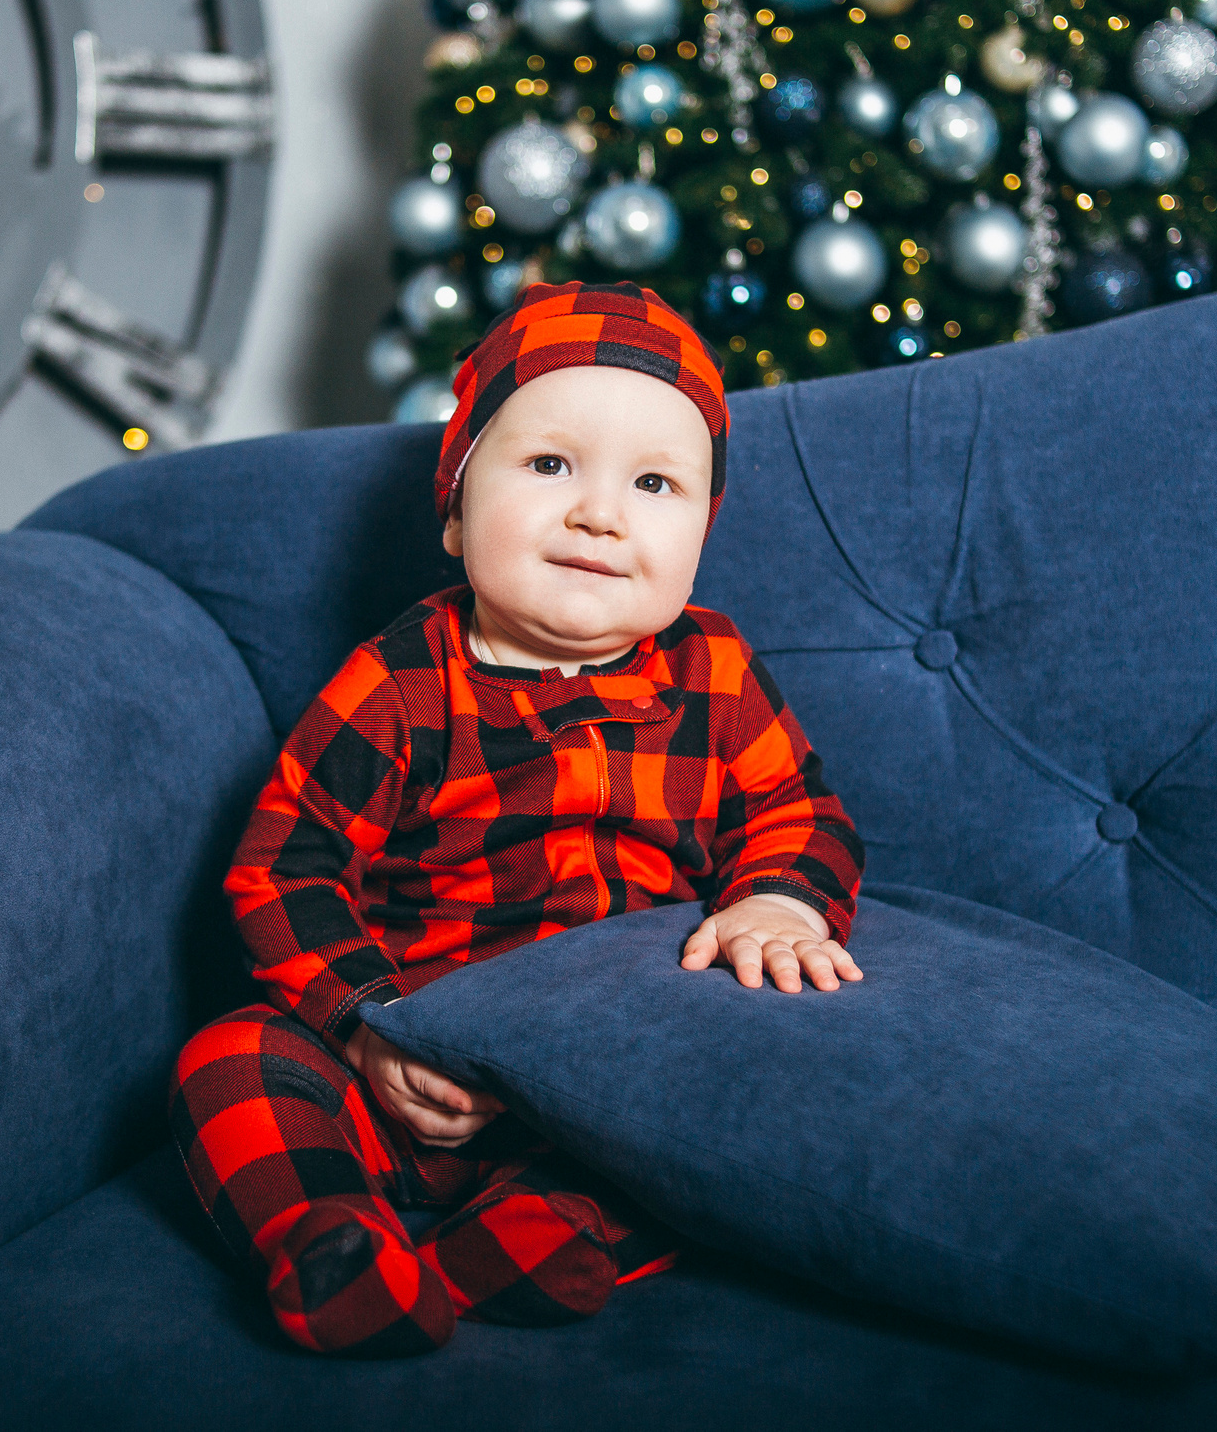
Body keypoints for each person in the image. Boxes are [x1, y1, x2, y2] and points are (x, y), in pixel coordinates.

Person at [169, 282, 865, 1357]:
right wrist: (368, 1027)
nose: (599, 512)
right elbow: (284, 870)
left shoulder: (713, 675)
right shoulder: (398, 683)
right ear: (452, 508)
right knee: (230, 1059)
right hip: (408, 1068)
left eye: (654, 482)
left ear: (700, 536)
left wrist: (774, 897)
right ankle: (326, 1238)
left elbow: (799, 812)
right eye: (549, 465)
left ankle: (496, 1252)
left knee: (705, 1119)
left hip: (600, 1087)